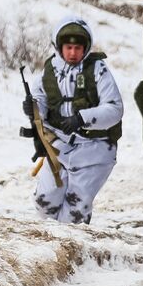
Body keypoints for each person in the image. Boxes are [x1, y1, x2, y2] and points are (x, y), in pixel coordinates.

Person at [23, 17, 124, 224]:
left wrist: (82, 119)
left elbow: (115, 109)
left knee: (75, 213)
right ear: (59, 46)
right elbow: (40, 100)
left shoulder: (98, 70)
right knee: (45, 203)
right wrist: (32, 109)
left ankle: (69, 250)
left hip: (94, 151)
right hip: (58, 148)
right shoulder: (49, 71)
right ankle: (49, 246)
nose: (72, 53)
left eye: (78, 48)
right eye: (68, 47)